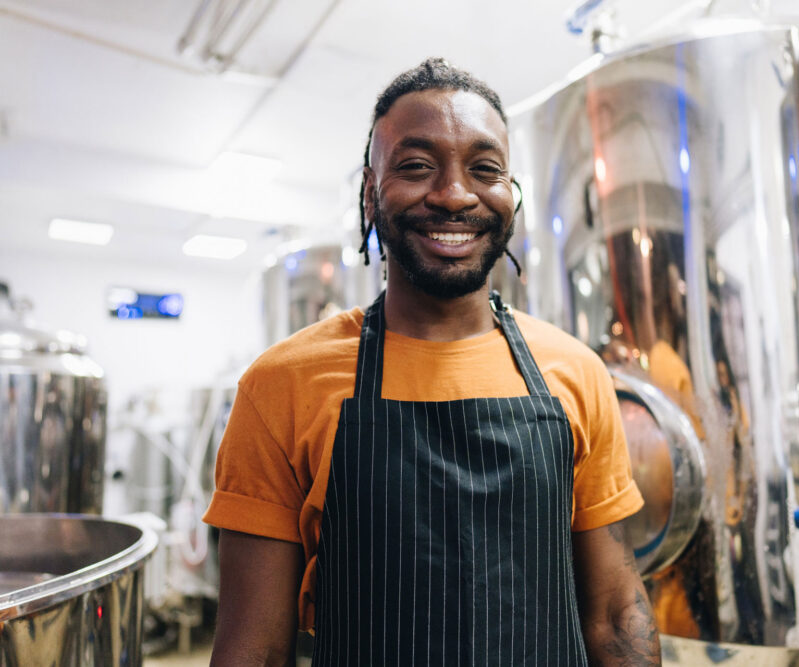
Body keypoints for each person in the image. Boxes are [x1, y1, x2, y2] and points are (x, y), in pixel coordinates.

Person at [205, 57, 659, 666]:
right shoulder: (282, 386)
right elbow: (254, 650)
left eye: (485, 168)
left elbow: (614, 614)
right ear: (371, 193)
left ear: (510, 194)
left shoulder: (575, 372)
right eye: (417, 167)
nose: (453, 194)